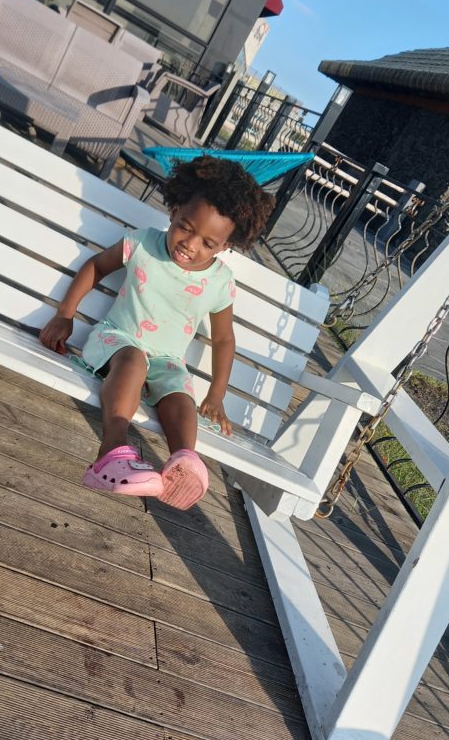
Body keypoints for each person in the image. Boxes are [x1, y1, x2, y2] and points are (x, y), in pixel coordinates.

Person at [39, 156, 274, 510]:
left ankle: (184, 460)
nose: (191, 244)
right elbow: (97, 266)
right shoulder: (144, 244)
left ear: (226, 247)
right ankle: (111, 452)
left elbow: (224, 339)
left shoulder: (219, 282)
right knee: (134, 361)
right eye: (185, 227)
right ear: (174, 211)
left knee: (180, 396)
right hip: (117, 342)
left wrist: (217, 394)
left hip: (166, 360)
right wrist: (65, 314)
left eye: (208, 244)